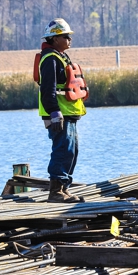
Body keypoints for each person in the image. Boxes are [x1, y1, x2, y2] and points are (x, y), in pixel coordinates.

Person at [38, 19, 87, 203]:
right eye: (66, 36)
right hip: (59, 115)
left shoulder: (60, 56)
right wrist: (54, 112)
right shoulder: (50, 59)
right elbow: (48, 89)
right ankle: (55, 192)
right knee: (62, 151)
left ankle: (64, 189)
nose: (69, 39)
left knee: (71, 152)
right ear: (54, 38)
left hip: (69, 114)